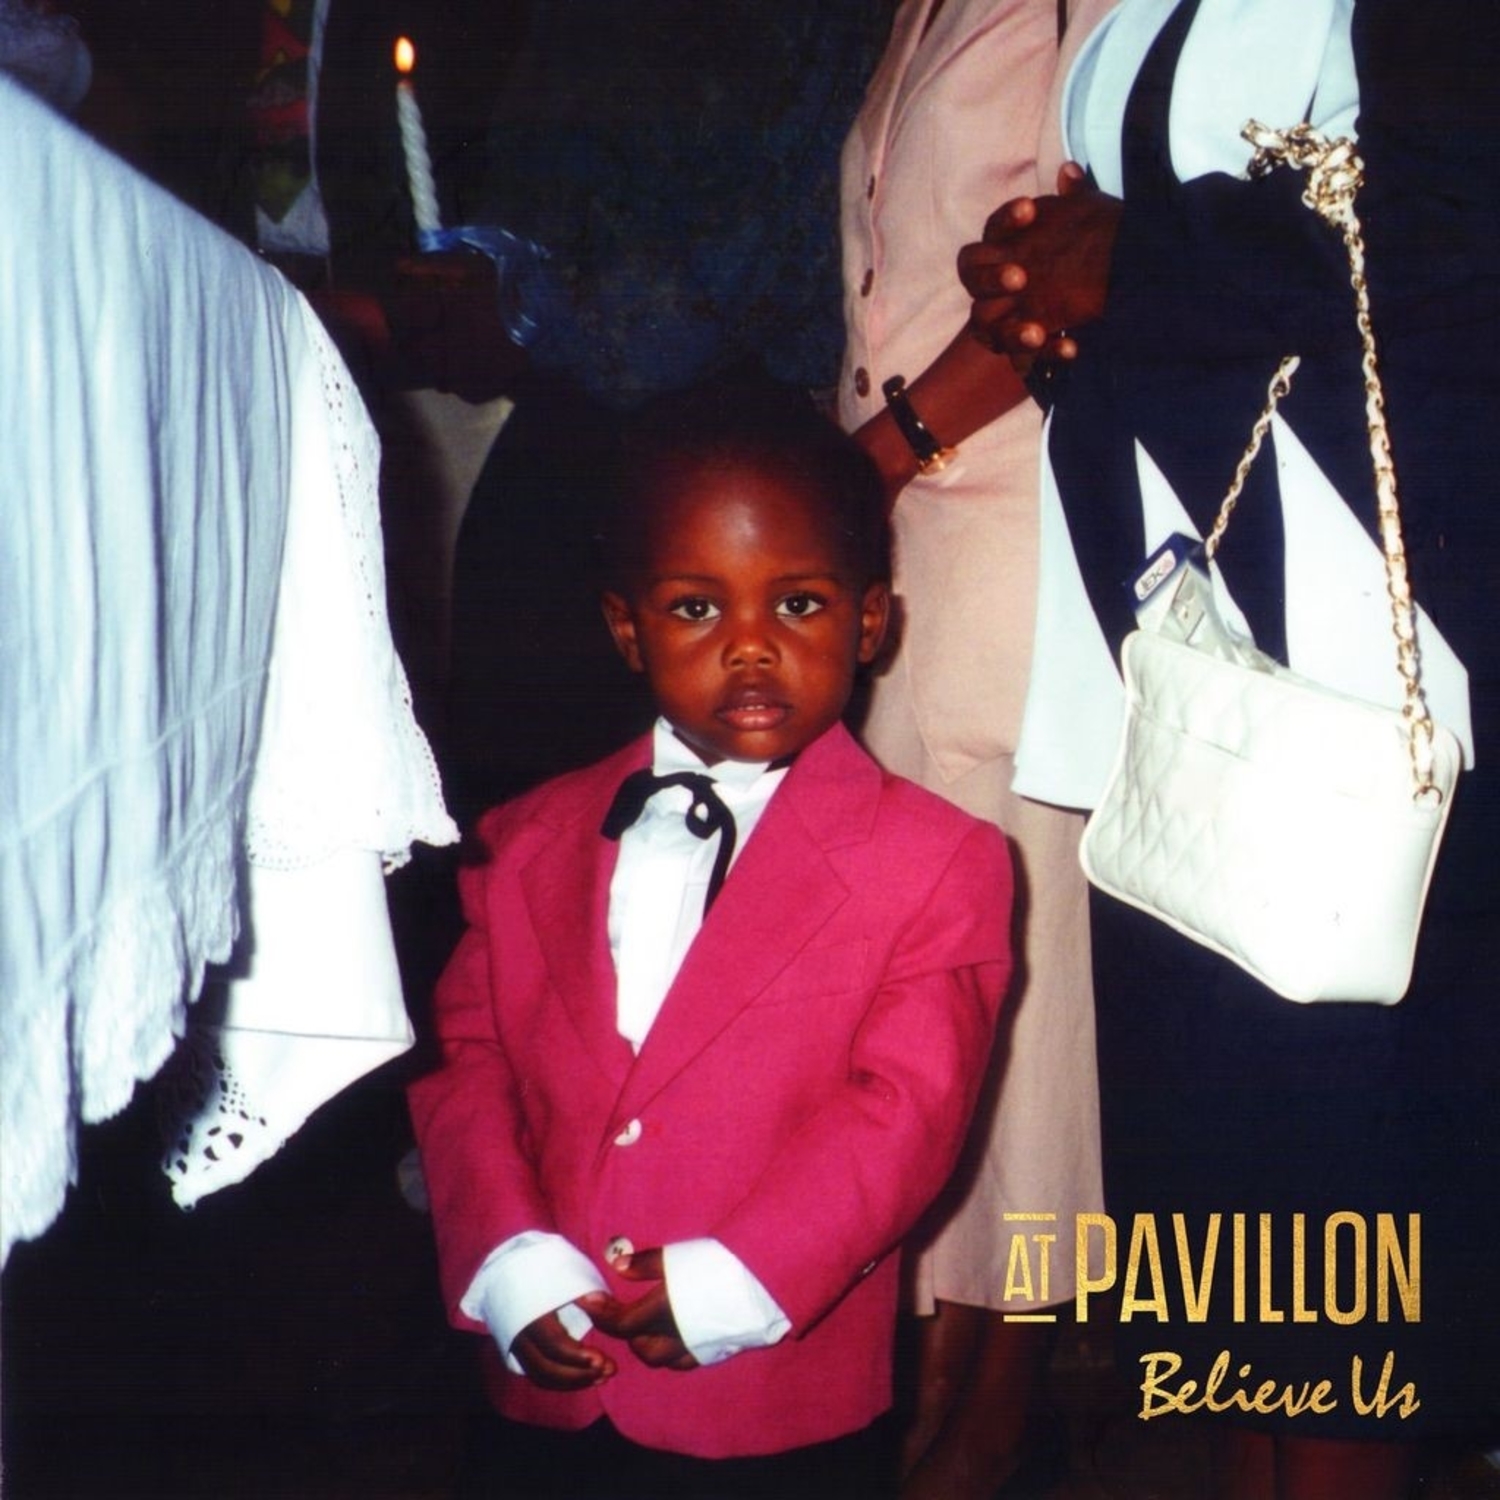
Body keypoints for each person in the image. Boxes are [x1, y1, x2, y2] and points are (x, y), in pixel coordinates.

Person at [959, 2, 1500, 1496]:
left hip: (1353, 643)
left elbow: (1461, 220)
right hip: (1181, 632)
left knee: (1341, 1194)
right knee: (1230, 1200)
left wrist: (1139, 261)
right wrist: (1044, 293)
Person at [407, 381, 1015, 1499]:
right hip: (546, 1373)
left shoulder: (939, 862)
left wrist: (745, 1277)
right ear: (626, 629)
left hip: (773, 1399)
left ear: (870, 621)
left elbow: (905, 1114)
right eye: (696, 608)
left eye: (798, 605)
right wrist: (507, 1255)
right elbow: (466, 1067)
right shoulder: (522, 839)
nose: (749, 648)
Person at [838, 3, 1103, 1495]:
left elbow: (1073, 275)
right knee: (930, 978)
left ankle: (1002, 1395)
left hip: (1015, 532)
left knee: (1032, 985)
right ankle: (935, 1359)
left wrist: (876, 459)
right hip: (899, 544)